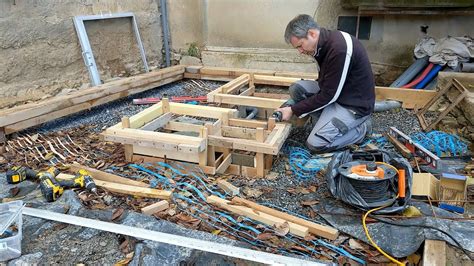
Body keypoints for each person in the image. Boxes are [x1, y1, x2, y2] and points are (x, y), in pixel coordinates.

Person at [277, 14, 375, 153]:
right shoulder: (321, 45)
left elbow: (329, 95)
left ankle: (361, 129)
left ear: (311, 33)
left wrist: (293, 109)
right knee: (297, 89)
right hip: (338, 94)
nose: (300, 51)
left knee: (315, 144)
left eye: (300, 46)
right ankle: (326, 121)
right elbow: (327, 86)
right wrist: (295, 107)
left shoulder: (339, 49)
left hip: (353, 105)